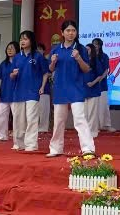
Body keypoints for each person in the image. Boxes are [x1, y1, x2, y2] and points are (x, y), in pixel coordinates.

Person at [46, 20, 96, 157]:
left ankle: (88, 148)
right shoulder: (56, 49)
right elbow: (50, 69)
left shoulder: (81, 49)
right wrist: (53, 62)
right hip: (60, 88)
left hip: (76, 88)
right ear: (62, 33)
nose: (71, 33)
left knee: (79, 119)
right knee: (58, 121)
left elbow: (86, 69)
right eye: (68, 30)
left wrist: (78, 58)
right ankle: (55, 149)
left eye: (73, 30)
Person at [11, 30, 49, 152]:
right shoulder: (17, 57)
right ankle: (19, 143)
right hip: (19, 92)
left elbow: (45, 73)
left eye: (25, 39)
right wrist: (13, 74)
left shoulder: (38, 56)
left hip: (33, 91)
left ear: (31, 41)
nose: (22, 41)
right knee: (18, 119)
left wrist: (42, 87)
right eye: (21, 39)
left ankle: (31, 144)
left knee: (32, 119)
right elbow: (11, 75)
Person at [92, 38, 115, 133]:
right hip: (92, 85)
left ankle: (107, 125)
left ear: (100, 46)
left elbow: (106, 70)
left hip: (102, 85)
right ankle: (95, 126)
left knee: (104, 106)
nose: (95, 46)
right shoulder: (90, 56)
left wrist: (100, 78)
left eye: (96, 44)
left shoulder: (104, 56)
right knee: (94, 107)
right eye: (93, 44)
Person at [0, 41, 17, 141]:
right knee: (1, 114)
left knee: (17, 115)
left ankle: (17, 135)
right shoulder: (3, 64)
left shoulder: (19, 62)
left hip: (16, 92)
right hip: (4, 91)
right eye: (8, 48)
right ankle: (1, 136)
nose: (9, 50)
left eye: (12, 48)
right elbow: (0, 77)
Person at [84, 43, 102, 137]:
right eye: (85, 49)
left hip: (93, 90)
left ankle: (93, 131)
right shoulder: (82, 61)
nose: (86, 51)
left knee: (92, 112)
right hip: (84, 90)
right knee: (84, 113)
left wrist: (93, 83)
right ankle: (85, 132)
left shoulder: (96, 61)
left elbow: (100, 75)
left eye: (88, 49)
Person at [36, 43, 52, 133]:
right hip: (33, 88)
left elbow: (50, 72)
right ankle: (35, 127)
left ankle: (44, 128)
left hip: (45, 88)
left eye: (40, 49)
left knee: (44, 110)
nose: (38, 51)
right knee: (35, 110)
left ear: (43, 51)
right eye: (36, 49)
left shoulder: (47, 61)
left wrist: (45, 74)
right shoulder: (32, 61)